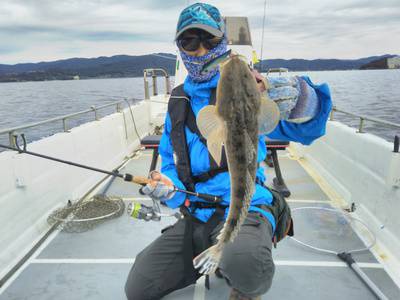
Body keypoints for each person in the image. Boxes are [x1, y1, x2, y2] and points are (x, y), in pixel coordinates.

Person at [125, 3, 332, 300]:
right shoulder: (179, 101)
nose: (200, 50)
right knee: (139, 288)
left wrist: (297, 95)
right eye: (189, 42)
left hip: (247, 207)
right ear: (180, 48)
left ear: (223, 40)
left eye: (209, 39)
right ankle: (218, 251)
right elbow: (172, 163)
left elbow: (308, 128)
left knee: (245, 263)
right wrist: (170, 188)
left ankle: (244, 279)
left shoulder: (255, 91)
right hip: (197, 212)